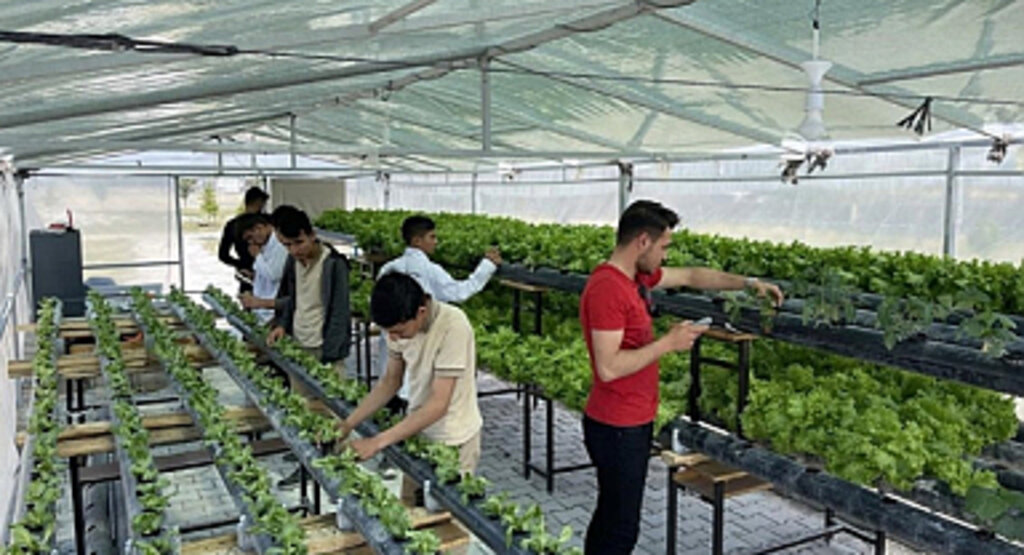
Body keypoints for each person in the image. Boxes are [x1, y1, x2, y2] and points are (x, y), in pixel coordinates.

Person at [579, 200, 784, 555]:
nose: (665, 255)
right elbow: (608, 367)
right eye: (663, 246)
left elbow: (691, 276)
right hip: (616, 425)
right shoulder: (608, 289)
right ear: (643, 241)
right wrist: (667, 344)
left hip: (629, 420)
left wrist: (749, 284)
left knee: (614, 517)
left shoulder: (634, 278)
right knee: (620, 527)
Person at [341, 273, 482, 475]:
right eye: (388, 332)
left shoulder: (453, 326)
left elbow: (439, 404)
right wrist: (347, 424)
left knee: (445, 495)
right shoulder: (397, 325)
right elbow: (390, 382)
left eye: (399, 332)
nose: (393, 338)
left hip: (453, 437)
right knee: (410, 494)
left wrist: (377, 442)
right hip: (417, 430)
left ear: (421, 312)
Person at [375, 215, 502, 411]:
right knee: (416, 408)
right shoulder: (430, 270)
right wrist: (487, 266)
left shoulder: (388, 269)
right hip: (418, 362)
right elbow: (459, 292)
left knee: (391, 405)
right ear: (417, 240)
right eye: (432, 237)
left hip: (391, 363)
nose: (436, 242)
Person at [266, 205, 351, 487]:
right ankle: (306, 460)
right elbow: (291, 299)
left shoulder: (334, 264)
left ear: (312, 235)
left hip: (325, 348)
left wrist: (330, 355)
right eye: (286, 245)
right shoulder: (293, 262)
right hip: (299, 346)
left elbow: (340, 312)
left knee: (332, 410)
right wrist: (282, 325)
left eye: (298, 242)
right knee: (301, 408)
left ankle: (340, 466)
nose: (294, 250)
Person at [235, 213, 288, 323]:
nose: (251, 242)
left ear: (259, 228)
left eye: (250, 237)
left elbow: (273, 275)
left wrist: (258, 256)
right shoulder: (265, 244)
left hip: (271, 311)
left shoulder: (279, 245)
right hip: (261, 309)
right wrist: (253, 277)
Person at [218, 187, 269, 293]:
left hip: (248, 270)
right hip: (263, 269)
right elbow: (223, 254)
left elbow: (223, 255)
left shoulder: (232, 224)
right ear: (259, 202)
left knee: (248, 298)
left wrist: (239, 264)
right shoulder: (267, 222)